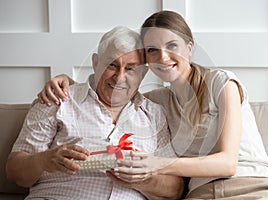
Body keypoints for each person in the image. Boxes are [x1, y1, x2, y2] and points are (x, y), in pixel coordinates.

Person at [37, 11, 268, 199]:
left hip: (250, 184)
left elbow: (228, 162)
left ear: (189, 49)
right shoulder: (158, 103)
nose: (163, 58)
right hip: (201, 193)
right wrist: (67, 82)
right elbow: (108, 88)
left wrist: (156, 164)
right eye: (153, 50)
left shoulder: (221, 83)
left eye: (172, 46)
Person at [6, 26, 183, 200]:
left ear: (143, 74)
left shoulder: (154, 115)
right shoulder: (58, 99)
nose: (119, 77)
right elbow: (14, 171)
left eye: (130, 68)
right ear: (95, 63)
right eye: (112, 65)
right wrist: (44, 160)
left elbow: (175, 189)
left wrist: (141, 179)